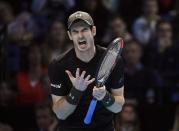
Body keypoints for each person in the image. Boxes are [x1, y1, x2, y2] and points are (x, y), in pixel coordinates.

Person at [48, 11, 125, 131]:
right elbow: (60, 114)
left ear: (93, 31)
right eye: (75, 31)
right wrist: (76, 91)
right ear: (69, 35)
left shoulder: (113, 59)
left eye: (84, 30)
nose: (80, 36)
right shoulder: (58, 65)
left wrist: (104, 96)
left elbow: (117, 108)